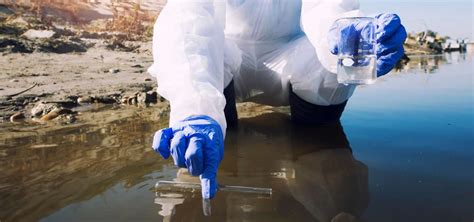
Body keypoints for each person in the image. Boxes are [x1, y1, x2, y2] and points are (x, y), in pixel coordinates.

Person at [149, 0, 406, 199]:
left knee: (332, 70)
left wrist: (347, 33)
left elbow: (327, 9)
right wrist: (194, 108)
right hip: (226, 57)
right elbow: (188, 19)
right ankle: (208, 126)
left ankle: (319, 167)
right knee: (194, 48)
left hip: (293, 53)